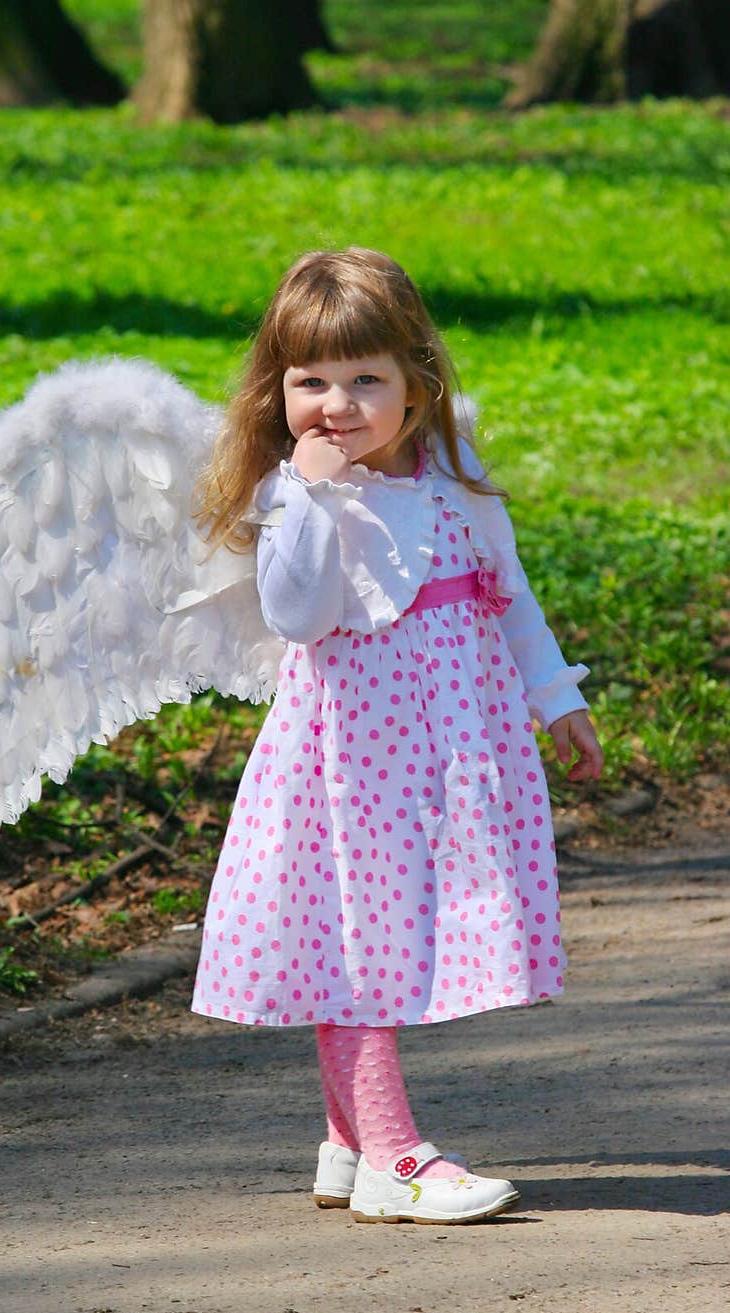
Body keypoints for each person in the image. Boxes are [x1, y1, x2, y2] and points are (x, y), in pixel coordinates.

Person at [189, 246, 603, 1225]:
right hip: (348, 762)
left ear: (415, 383)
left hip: (456, 751)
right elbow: (298, 613)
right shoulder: (296, 495)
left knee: (384, 935)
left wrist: (557, 697)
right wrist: (309, 498)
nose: (337, 403)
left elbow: (510, 596)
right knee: (360, 942)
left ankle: (348, 1140)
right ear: (276, 390)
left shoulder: (452, 477)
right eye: (310, 381)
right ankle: (395, 1155)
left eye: (365, 378)